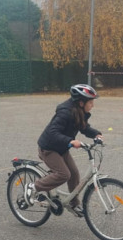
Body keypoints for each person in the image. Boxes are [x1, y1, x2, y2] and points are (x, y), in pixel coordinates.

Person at [25, 84, 103, 215]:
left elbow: (84, 127)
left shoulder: (79, 112)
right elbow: (53, 132)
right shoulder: (65, 112)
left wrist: (96, 134)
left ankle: (74, 204)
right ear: (81, 102)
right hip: (48, 149)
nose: (93, 105)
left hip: (62, 148)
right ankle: (33, 187)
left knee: (74, 174)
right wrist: (70, 141)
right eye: (91, 102)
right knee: (64, 174)